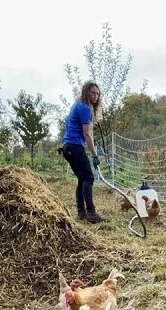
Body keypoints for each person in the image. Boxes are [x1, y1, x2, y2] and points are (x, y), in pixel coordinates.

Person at [61, 81, 105, 224]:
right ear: (86, 93)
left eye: (97, 94)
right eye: (92, 93)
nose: (95, 96)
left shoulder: (78, 105)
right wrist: (94, 155)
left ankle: (81, 212)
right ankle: (91, 213)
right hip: (74, 146)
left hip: (67, 147)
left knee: (82, 178)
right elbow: (87, 135)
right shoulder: (85, 108)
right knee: (89, 178)